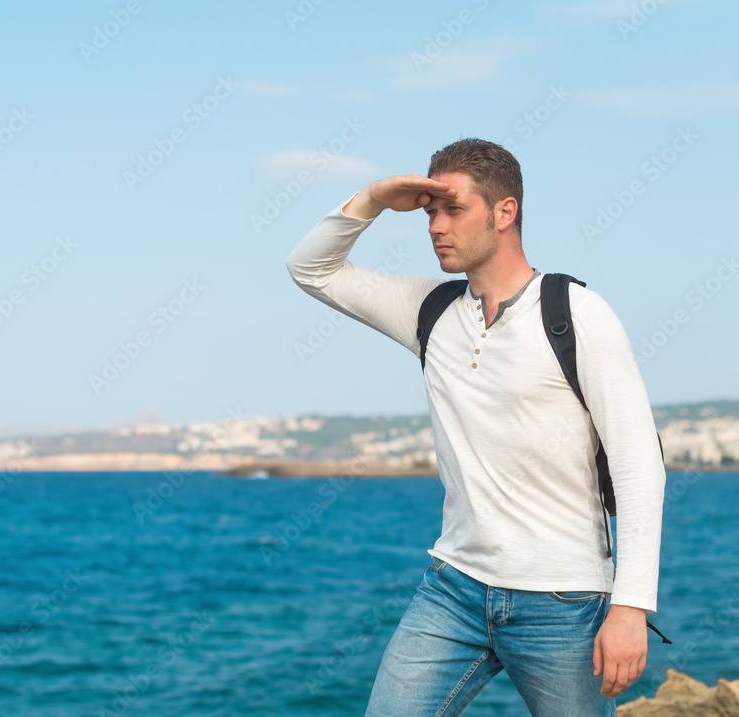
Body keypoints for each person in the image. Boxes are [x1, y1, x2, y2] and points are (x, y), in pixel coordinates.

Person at [285, 138, 666, 716]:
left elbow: (639, 466)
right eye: (429, 212)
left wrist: (630, 608)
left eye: (453, 208)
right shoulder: (430, 312)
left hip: (561, 599)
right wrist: (372, 199)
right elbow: (310, 269)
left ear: (505, 211)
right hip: (452, 590)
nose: (435, 225)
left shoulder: (576, 314)